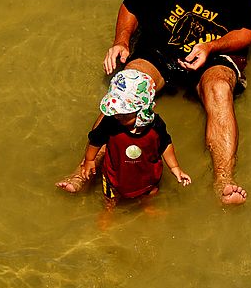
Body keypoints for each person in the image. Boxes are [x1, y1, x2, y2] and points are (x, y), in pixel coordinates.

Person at [57, 0, 251, 204]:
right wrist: (122, 41)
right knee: (127, 82)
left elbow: (250, 30)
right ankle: (82, 170)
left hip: (213, 50)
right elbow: (132, 4)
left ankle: (224, 181)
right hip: (159, 48)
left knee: (219, 89)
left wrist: (210, 47)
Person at [78, 69, 191, 209]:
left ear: (142, 111)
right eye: (115, 111)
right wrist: (89, 160)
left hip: (147, 177)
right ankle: (108, 211)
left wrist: (175, 167)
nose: (117, 115)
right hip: (115, 176)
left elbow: (165, 144)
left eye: (123, 113)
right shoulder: (111, 122)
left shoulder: (156, 125)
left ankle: (147, 206)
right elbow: (95, 139)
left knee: (150, 193)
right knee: (110, 197)